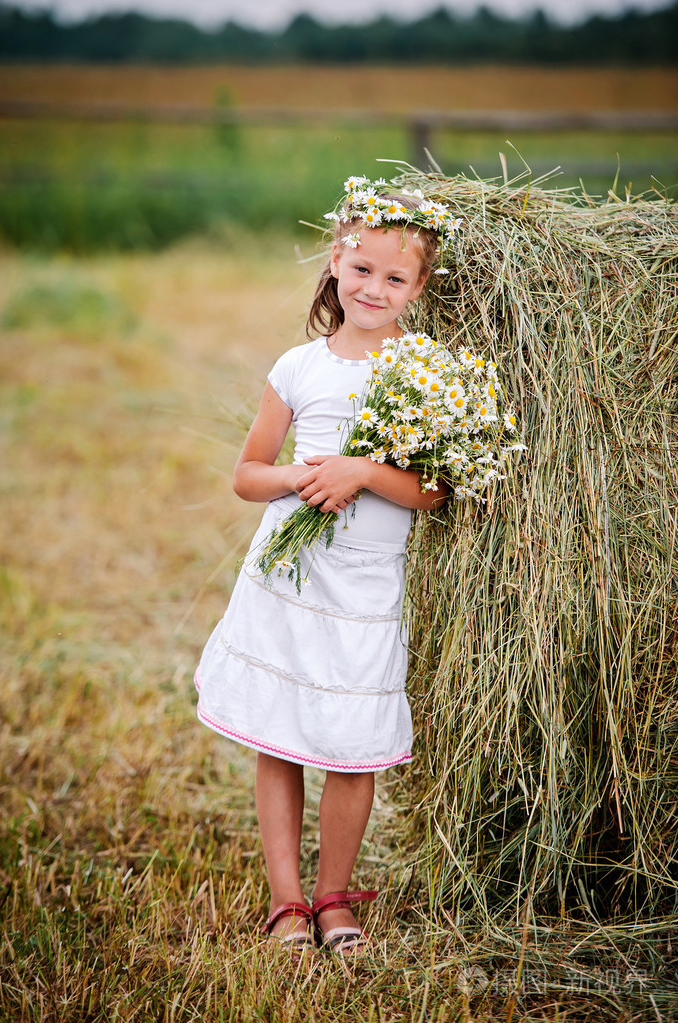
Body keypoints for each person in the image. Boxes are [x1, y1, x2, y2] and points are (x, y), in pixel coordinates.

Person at [194, 176, 451, 954]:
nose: (374, 287)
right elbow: (248, 474)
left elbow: (434, 492)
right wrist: (306, 478)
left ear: (419, 287)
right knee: (282, 730)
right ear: (337, 261)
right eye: (362, 268)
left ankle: (337, 895)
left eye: (395, 276)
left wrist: (364, 473)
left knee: (354, 736)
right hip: (288, 579)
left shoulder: (429, 372)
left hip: (367, 588)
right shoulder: (299, 366)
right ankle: (288, 901)